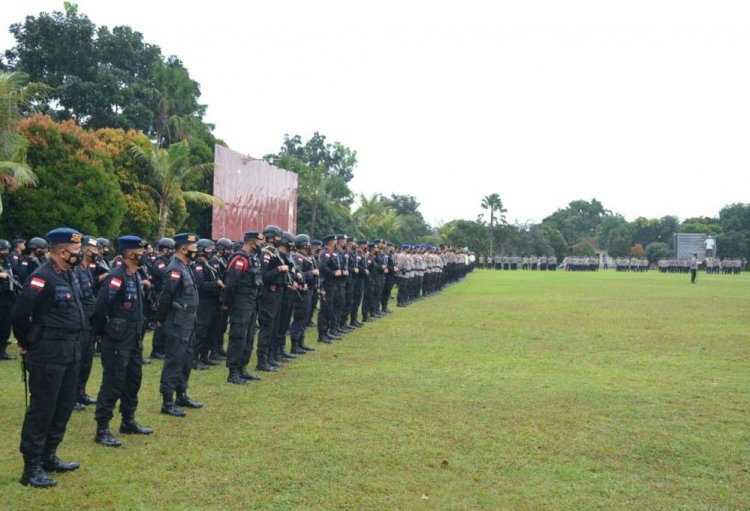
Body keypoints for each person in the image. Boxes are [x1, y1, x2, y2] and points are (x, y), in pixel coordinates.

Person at [11, 227, 86, 488]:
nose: (81, 255)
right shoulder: (41, 277)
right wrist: (27, 342)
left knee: (63, 405)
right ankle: (31, 469)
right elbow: (20, 314)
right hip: (48, 352)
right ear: (63, 252)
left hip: (70, 350)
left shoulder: (69, 273)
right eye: (77, 251)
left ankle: (49, 456)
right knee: (43, 409)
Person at [93, 236, 154, 447]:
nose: (145, 254)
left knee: (133, 381)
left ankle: (128, 420)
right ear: (130, 254)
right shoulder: (117, 276)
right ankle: (102, 429)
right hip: (118, 339)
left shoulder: (136, 275)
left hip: (134, 337)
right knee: (113, 382)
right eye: (141, 251)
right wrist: (101, 333)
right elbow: (100, 308)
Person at [156, 233, 202, 417]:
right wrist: (161, 318)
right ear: (183, 248)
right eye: (194, 248)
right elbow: (166, 296)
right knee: (175, 359)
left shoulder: (185, 266)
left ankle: (181, 394)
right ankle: (167, 401)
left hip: (189, 320)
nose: (196, 251)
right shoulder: (174, 269)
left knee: (187, 358)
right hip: (178, 320)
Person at [223, 231, 264, 383]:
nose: (261, 246)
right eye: (259, 243)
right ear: (251, 243)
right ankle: (233, 372)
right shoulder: (239, 259)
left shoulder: (252, 259)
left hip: (251, 302)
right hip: (240, 302)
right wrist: (227, 303)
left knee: (249, 336)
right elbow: (231, 283)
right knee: (238, 336)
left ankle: (242, 368)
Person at [0, 239, 20, 360]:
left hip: (8, 298)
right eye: (3, 250)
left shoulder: (7, 262)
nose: (5, 252)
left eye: (7, 249)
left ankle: (2, 351)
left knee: (6, 325)